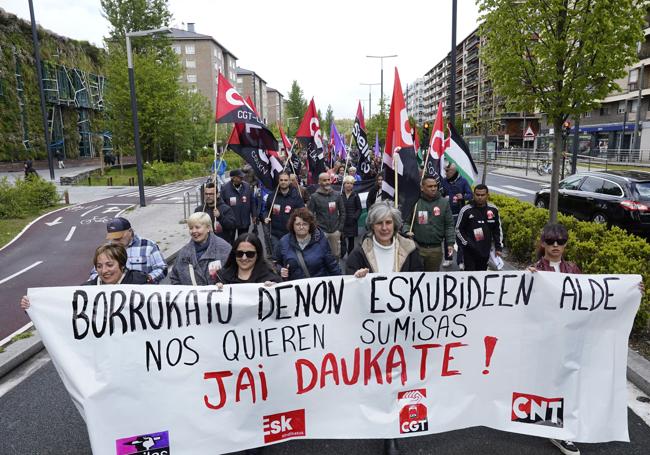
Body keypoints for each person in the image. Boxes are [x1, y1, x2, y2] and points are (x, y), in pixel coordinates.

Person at [527, 223, 580, 455]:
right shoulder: (535, 271)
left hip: (571, 336)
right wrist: (524, 279)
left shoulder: (574, 268)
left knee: (569, 382)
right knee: (552, 383)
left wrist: (629, 291)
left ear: (566, 244)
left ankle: (561, 428)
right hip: (546, 339)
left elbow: (593, 295)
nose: (555, 245)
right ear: (543, 244)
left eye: (560, 241)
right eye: (550, 241)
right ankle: (558, 430)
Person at [20, 243, 148, 309]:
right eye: (99, 266)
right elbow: (61, 306)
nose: (104, 271)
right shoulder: (86, 290)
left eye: (109, 265)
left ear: (122, 264)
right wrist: (33, 303)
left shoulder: (140, 283)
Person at [347, 201, 423, 276]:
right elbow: (349, 280)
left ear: (395, 224)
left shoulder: (410, 249)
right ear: (372, 226)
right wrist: (356, 278)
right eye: (379, 223)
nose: (384, 228)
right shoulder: (359, 253)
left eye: (388, 222)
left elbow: (418, 277)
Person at [89, 217, 167, 284]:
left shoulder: (148, 246)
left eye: (119, 237)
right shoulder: (107, 249)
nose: (116, 241)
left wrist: (146, 279)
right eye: (113, 238)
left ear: (130, 231)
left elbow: (162, 269)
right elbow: (95, 273)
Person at [273, 208, 341, 281]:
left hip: (317, 287)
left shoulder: (321, 241)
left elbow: (332, 265)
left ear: (310, 225)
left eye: (305, 224)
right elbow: (274, 263)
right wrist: (280, 270)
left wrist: (342, 282)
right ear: (292, 225)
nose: (301, 227)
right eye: (298, 224)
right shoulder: (284, 242)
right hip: (295, 288)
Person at [406, 175, 455, 272]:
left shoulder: (444, 203)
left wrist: (450, 243)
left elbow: (449, 225)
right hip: (417, 248)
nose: (433, 189)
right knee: (416, 277)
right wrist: (407, 231)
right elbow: (406, 222)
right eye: (429, 186)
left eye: (435, 186)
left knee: (431, 280)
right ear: (422, 188)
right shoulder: (415, 202)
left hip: (435, 250)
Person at [170, 212, 232, 285]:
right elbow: (174, 277)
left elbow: (234, 276)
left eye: (197, 227)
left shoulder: (225, 249)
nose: (193, 231)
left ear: (208, 228)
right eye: (191, 228)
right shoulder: (184, 252)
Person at [456, 184, 503, 271]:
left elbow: (497, 230)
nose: (480, 197)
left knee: (481, 275)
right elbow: (458, 229)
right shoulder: (466, 210)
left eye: (482, 195)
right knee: (470, 276)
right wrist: (466, 243)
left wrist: (498, 247)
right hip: (469, 251)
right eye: (477, 195)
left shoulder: (493, 210)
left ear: (487, 195)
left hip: (485, 251)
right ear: (474, 195)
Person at [215, 233, 281, 285]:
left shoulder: (271, 279)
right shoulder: (222, 277)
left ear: (258, 255)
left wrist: (273, 290)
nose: (244, 258)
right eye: (239, 253)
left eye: (250, 254)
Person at [441, 163, 473, 268]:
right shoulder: (444, 181)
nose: (446, 173)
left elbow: (470, 195)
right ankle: (448, 258)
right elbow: (439, 193)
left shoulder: (463, 181)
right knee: (448, 238)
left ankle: (461, 261)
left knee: (460, 238)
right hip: (447, 215)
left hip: (459, 214)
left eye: (448, 171)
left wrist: (463, 196)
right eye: (445, 171)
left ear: (454, 171)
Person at [307, 172, 345, 259]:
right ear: (319, 182)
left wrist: (340, 228)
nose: (327, 182)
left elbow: (343, 212)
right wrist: (315, 229)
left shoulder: (337, 195)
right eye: (324, 180)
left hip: (335, 231)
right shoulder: (314, 197)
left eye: (328, 180)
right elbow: (309, 214)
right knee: (321, 255)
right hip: (321, 231)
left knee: (336, 255)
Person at [263, 171, 305, 251]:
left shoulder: (296, 196)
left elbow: (302, 213)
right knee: (277, 258)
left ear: (289, 181)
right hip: (275, 234)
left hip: (291, 234)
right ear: (278, 181)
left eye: (285, 180)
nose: (283, 182)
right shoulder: (272, 196)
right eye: (281, 180)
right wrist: (265, 217)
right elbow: (266, 210)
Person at [220, 169, 255, 241]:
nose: (241, 178)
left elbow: (252, 202)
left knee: (242, 242)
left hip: (244, 221)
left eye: (242, 177)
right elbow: (221, 204)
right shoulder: (224, 188)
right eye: (239, 177)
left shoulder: (247, 187)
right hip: (230, 222)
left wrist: (254, 215)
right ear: (233, 178)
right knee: (229, 242)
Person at [341, 175, 362, 258]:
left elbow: (359, 209)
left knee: (351, 241)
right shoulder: (340, 195)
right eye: (347, 183)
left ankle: (350, 257)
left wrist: (355, 217)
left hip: (352, 222)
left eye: (351, 183)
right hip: (342, 222)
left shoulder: (355, 195)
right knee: (342, 240)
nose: (349, 185)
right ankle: (342, 254)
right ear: (344, 184)